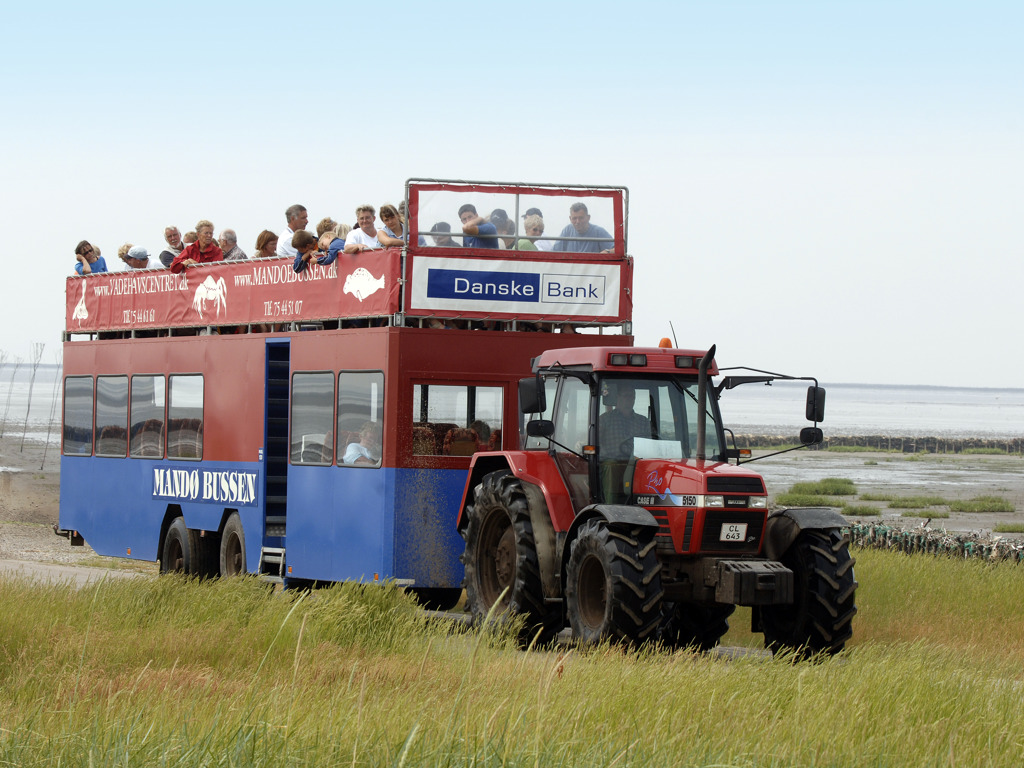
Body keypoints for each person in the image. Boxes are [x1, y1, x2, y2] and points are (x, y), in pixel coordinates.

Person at [599, 384, 652, 460]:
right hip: (611, 464)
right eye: (626, 395)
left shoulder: (643, 421)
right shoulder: (604, 420)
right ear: (618, 397)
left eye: (632, 396)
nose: (630, 399)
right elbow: (596, 444)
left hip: (636, 464)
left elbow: (649, 446)